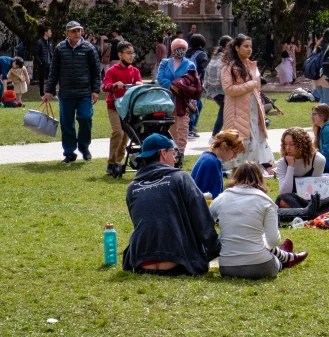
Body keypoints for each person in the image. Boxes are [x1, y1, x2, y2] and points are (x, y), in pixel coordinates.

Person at [122, 134, 220, 275]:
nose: (174, 158)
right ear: (163, 153)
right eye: (172, 152)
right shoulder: (181, 178)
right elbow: (201, 219)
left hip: (141, 261)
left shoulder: (132, 187)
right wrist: (215, 250)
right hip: (178, 260)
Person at [211, 162, 308, 279]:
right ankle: (286, 259)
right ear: (260, 178)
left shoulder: (221, 198)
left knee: (247, 235)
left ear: (235, 177)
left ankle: (286, 255)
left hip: (227, 267)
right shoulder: (266, 201)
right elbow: (273, 241)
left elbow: (205, 225)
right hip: (261, 266)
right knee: (260, 239)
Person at [44, 21, 101, 164]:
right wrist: (49, 91)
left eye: (79, 30)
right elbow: (54, 71)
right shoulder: (60, 48)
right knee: (67, 124)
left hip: (84, 93)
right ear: (67, 33)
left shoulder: (89, 48)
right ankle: (69, 153)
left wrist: (95, 90)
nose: (77, 33)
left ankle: (84, 147)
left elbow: (96, 71)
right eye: (74, 31)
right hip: (66, 93)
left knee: (85, 118)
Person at [221, 34, 275, 167]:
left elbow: (256, 87)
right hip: (237, 110)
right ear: (237, 48)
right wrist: (251, 84)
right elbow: (228, 89)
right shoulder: (229, 67)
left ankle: (254, 167)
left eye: (250, 46)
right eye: (245, 46)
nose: (249, 49)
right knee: (240, 140)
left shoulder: (251, 65)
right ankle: (238, 169)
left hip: (253, 108)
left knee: (256, 138)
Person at [274, 126, 329, 212]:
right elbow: (285, 192)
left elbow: (315, 189)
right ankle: (314, 212)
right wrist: (291, 166)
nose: (288, 148)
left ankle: (308, 212)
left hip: (314, 201)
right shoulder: (282, 163)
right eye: (285, 144)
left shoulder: (318, 159)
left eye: (292, 144)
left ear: (302, 144)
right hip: (295, 200)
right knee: (283, 200)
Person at [101, 42, 142, 177]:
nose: (131, 56)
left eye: (132, 53)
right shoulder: (112, 70)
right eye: (128, 53)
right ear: (120, 54)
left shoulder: (134, 71)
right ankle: (111, 162)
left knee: (125, 136)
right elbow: (105, 86)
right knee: (117, 132)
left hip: (128, 108)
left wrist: (139, 85)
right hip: (114, 106)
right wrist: (114, 85)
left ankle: (118, 162)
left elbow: (139, 84)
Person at [156, 38, 199, 164]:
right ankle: (171, 152)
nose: (179, 51)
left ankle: (180, 152)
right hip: (167, 98)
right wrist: (172, 85)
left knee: (183, 126)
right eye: (176, 49)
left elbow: (192, 81)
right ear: (172, 50)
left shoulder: (190, 64)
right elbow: (160, 78)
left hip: (183, 100)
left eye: (182, 49)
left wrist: (180, 87)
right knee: (170, 127)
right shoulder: (165, 63)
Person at [191, 129, 246, 199]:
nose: (234, 157)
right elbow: (213, 195)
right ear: (224, 146)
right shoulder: (212, 163)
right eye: (234, 152)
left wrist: (225, 173)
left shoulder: (207, 157)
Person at [206, 35, 231, 136]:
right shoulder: (225, 58)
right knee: (224, 112)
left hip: (213, 90)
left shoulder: (215, 56)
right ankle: (215, 134)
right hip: (221, 90)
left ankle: (217, 134)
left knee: (225, 111)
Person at [33, 27, 53, 97]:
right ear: (45, 32)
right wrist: (40, 62)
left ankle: (52, 93)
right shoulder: (39, 42)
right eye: (50, 32)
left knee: (51, 78)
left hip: (50, 63)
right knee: (41, 79)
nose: (51, 33)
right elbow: (36, 54)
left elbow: (51, 52)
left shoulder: (50, 42)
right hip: (42, 64)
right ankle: (42, 94)